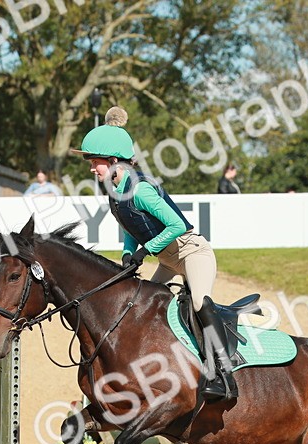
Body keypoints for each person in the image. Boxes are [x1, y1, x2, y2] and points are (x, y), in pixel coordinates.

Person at [70, 105, 237, 402]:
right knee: (143, 303)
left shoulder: (141, 190)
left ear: (113, 161)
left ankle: (223, 372)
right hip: (168, 258)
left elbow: (176, 224)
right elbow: (130, 226)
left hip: (191, 253)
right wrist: (127, 253)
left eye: (95, 162)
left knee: (199, 302)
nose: (91, 168)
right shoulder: (115, 188)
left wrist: (146, 250)